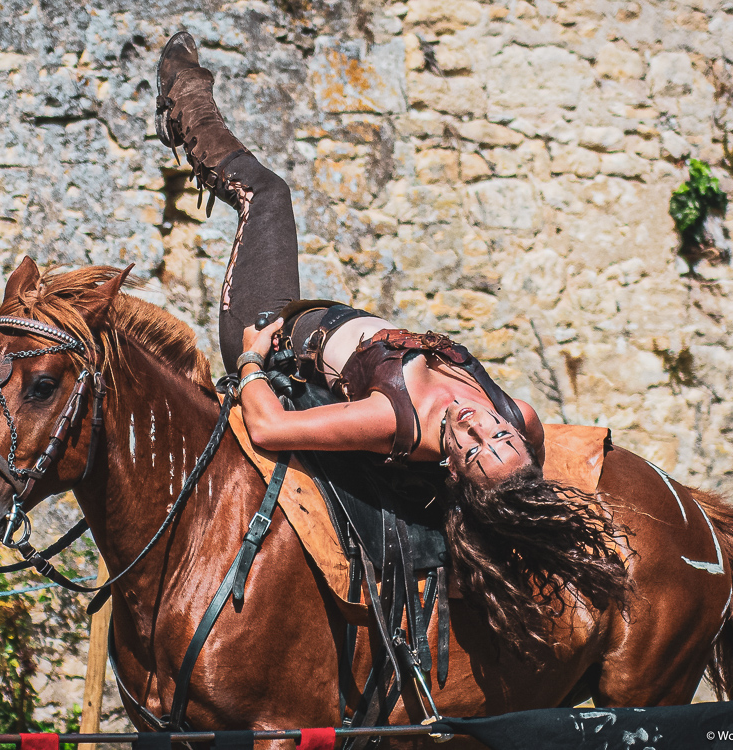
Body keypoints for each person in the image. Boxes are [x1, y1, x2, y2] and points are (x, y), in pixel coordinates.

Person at [155, 32, 627, 651]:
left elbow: (269, 428)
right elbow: (526, 455)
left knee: (266, 197)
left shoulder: (395, 422)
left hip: (279, 330)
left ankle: (184, 97)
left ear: (453, 468)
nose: (477, 423)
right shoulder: (523, 417)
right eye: (499, 436)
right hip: (343, 316)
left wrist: (249, 357)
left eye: (474, 446)